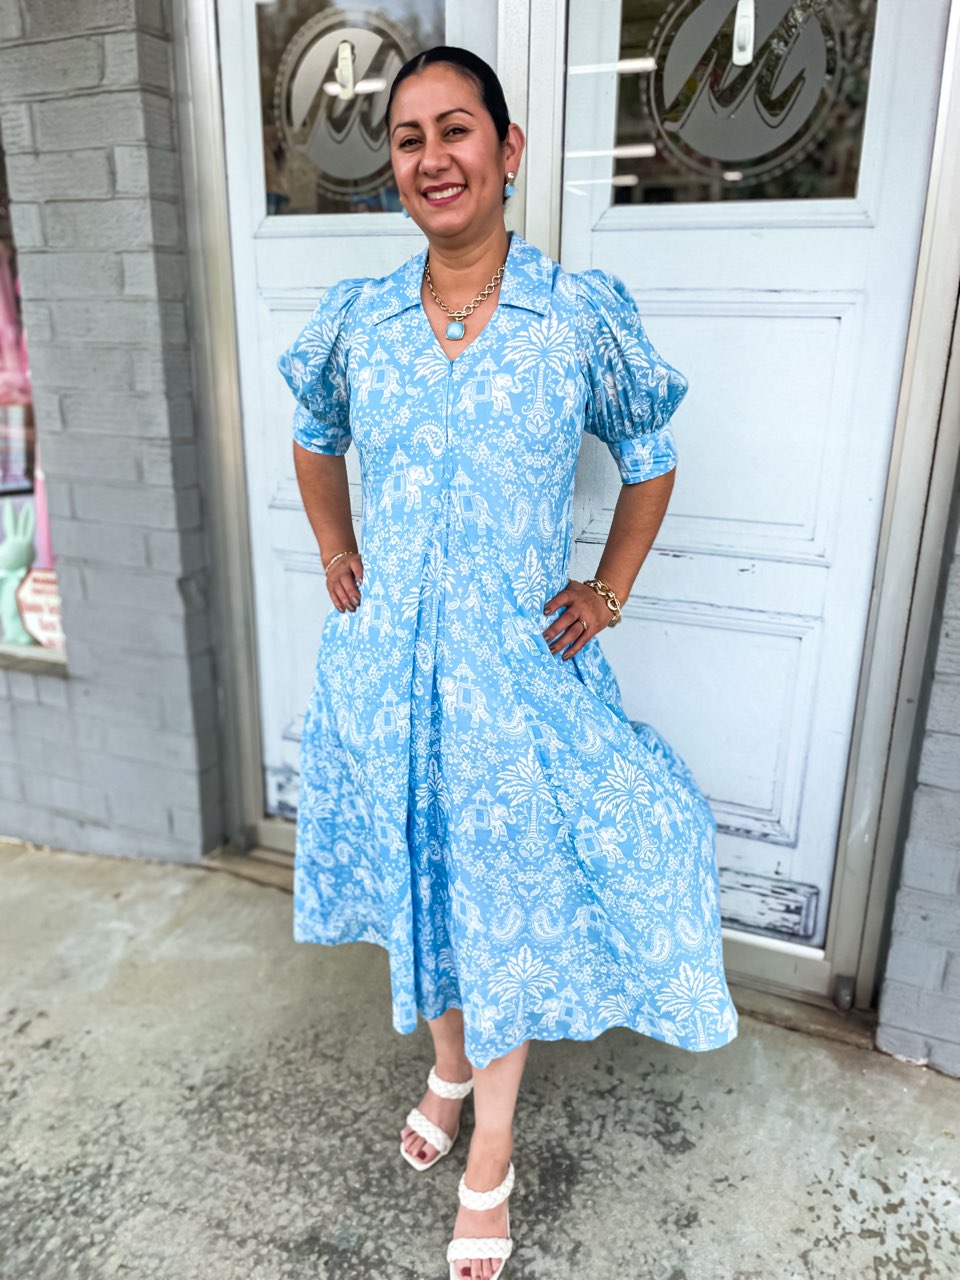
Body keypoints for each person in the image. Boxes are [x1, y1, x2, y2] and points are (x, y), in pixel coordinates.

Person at [278, 45, 739, 1280]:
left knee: (507, 907)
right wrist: (337, 543)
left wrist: (608, 589)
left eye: (457, 130)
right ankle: (444, 1061)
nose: (433, 156)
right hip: (389, 675)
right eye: (410, 137)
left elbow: (649, 453)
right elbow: (315, 434)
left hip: (514, 680)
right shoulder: (360, 322)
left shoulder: (574, 316)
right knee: (422, 877)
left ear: (509, 151)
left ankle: (492, 1151)